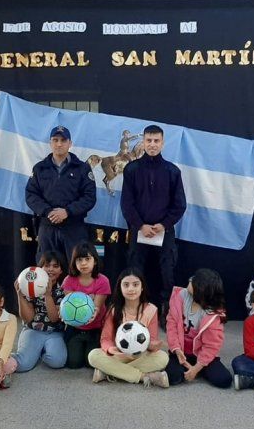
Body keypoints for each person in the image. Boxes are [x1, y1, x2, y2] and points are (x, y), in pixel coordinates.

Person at [120, 124, 187, 325]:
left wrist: (163, 224)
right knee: (135, 271)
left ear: (163, 143)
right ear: (143, 142)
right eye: (148, 140)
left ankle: (168, 316)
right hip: (139, 230)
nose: (152, 144)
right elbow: (127, 203)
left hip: (164, 231)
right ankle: (134, 313)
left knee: (167, 272)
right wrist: (141, 225)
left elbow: (179, 205)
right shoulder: (131, 169)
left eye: (156, 141)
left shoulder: (172, 171)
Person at [87, 268, 169, 387]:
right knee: (93, 356)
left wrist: (152, 345)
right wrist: (110, 349)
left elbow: (152, 339)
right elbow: (105, 338)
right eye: (126, 285)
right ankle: (145, 377)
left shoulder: (151, 309)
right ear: (120, 288)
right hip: (119, 355)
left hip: (141, 356)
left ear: (142, 287)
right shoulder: (114, 310)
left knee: (163, 357)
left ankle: (110, 373)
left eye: (135, 285)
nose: (131, 289)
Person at [25, 125, 96, 262]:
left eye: (63, 140)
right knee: (46, 270)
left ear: (70, 143)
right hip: (47, 226)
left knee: (75, 268)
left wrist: (67, 212)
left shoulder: (82, 168)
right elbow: (31, 195)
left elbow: (89, 197)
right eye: (55, 140)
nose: (59, 144)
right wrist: (48, 212)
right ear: (50, 143)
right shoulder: (40, 168)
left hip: (73, 227)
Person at [165, 268, 232, 388]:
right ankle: (191, 368)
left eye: (193, 281)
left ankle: (198, 368)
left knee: (224, 380)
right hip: (181, 351)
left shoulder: (213, 314)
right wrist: (176, 349)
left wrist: (197, 367)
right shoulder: (179, 296)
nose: (190, 280)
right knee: (172, 377)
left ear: (200, 290)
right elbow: (171, 325)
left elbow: (211, 345)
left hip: (201, 354)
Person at [9, 251, 68, 372]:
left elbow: (54, 318)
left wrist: (47, 295)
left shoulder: (63, 289)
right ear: (40, 268)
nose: (50, 269)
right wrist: (20, 295)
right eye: (47, 265)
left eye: (55, 266)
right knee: (23, 365)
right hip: (33, 330)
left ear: (61, 270)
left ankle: (40, 351)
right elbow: (28, 318)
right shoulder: (30, 287)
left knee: (58, 361)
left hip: (55, 332)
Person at [62, 242, 111, 369]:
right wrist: (65, 314)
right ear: (74, 262)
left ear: (95, 261)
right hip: (75, 328)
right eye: (79, 259)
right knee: (74, 363)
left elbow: (96, 308)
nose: (83, 263)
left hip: (95, 328)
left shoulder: (103, 281)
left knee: (91, 363)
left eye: (87, 259)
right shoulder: (68, 280)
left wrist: (92, 309)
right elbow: (68, 305)